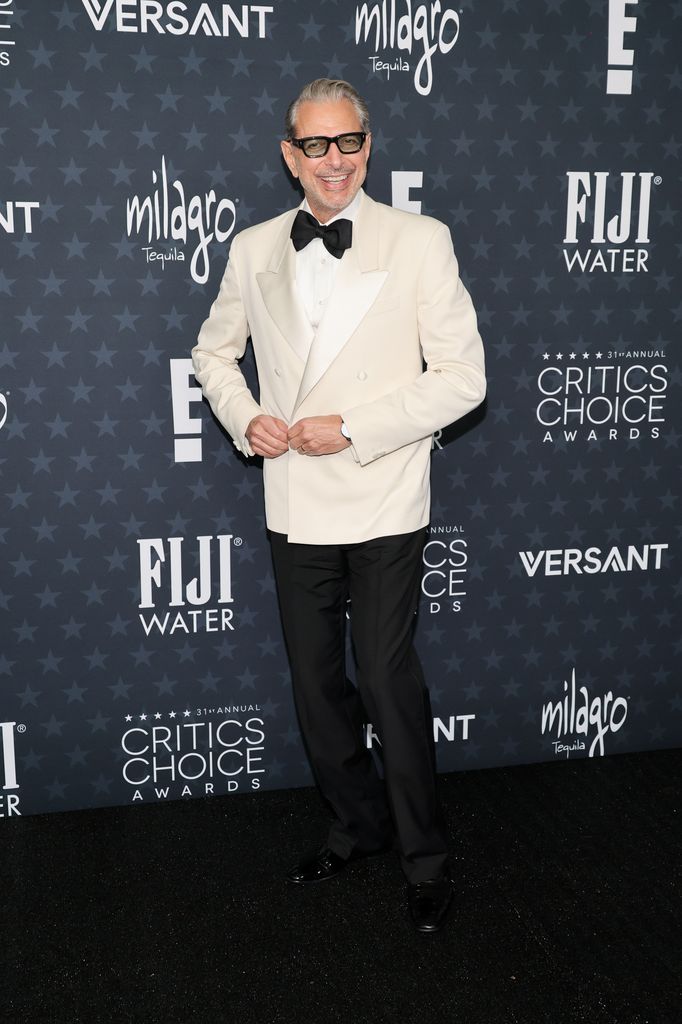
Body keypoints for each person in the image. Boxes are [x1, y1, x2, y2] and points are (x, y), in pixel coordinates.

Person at [192, 78, 485, 933]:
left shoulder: (420, 240)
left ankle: (426, 860)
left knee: (388, 681)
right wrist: (247, 418)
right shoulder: (253, 248)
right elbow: (212, 354)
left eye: (347, 142)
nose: (333, 160)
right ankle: (356, 824)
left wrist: (353, 427)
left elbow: (464, 379)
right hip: (294, 498)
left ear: (368, 146)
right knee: (317, 685)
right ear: (291, 156)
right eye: (315, 146)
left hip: (384, 491)